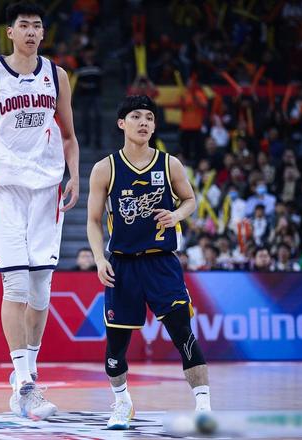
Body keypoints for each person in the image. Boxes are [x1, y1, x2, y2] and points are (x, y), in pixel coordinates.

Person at [0, 1, 80, 420]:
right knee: (16, 286)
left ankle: (28, 372)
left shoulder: (57, 76)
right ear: (9, 32)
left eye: (36, 25)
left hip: (46, 191)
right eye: (23, 25)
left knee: (41, 289)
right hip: (4, 190)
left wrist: (75, 175)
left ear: (43, 33)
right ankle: (25, 383)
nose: (30, 31)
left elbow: (69, 135)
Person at [87, 95, 210, 430]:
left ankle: (203, 407)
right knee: (116, 348)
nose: (144, 122)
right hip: (122, 266)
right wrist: (98, 258)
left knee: (183, 334)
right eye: (137, 116)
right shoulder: (105, 168)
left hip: (161, 263)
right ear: (121, 123)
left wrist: (177, 215)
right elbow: (93, 221)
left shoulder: (169, 164)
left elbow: (190, 200)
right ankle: (122, 403)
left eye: (150, 118)